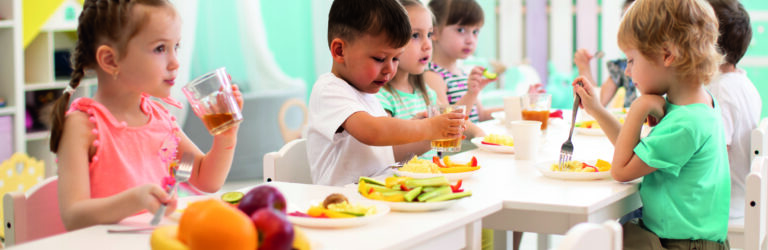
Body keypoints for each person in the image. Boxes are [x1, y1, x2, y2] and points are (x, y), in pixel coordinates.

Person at [50, 0, 243, 231]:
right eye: (160, 48)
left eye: (176, 47)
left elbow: (206, 178)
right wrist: (135, 200)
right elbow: (73, 217)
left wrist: (226, 137)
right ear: (111, 60)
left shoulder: (159, 119)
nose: (174, 63)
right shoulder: (82, 127)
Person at [573, 0, 730, 248]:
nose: (626, 72)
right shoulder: (695, 105)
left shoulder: (686, 123)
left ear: (667, 55)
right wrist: (597, 110)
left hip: (681, 245)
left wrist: (638, 107)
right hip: (682, 239)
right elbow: (635, 153)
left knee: (607, 236)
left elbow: (621, 170)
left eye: (631, 60)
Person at [306, 0, 465, 186]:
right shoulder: (329, 89)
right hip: (342, 205)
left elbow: (392, 156)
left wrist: (430, 136)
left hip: (377, 198)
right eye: (380, 59)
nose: (390, 69)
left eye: (396, 58)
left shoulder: (368, 95)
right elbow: (372, 132)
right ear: (340, 51)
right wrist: (428, 127)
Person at [377, 0, 484, 141]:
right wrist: (424, 129)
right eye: (415, 35)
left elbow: (453, 120)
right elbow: (389, 151)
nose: (428, 45)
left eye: (429, 34)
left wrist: (480, 134)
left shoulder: (427, 93)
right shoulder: (382, 97)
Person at [706, 0, 761, 219]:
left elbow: (714, 157)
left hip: (724, 207)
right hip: (740, 199)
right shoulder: (742, 82)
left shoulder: (721, 92)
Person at [424, 0, 497, 123]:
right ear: (434, 33)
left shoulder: (462, 74)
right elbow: (446, 121)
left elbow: (481, 115)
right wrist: (471, 94)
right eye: (461, 30)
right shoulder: (432, 76)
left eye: (475, 32)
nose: (470, 40)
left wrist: (519, 107)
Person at [573, 0, 637, 108]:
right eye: (624, 21)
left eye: (636, 21)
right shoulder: (622, 67)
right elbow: (597, 102)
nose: (630, 28)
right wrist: (584, 68)